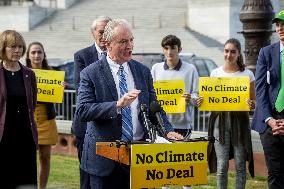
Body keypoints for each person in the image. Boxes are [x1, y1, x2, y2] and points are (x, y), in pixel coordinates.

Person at [75, 19, 183, 189]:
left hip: (138, 156)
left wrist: (168, 131)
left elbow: (154, 106)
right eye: (123, 41)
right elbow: (82, 111)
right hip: (105, 161)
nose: (129, 45)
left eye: (131, 40)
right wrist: (117, 105)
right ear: (108, 44)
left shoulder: (143, 71)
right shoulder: (90, 73)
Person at [207, 38, 255, 189]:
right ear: (223, 52)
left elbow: (254, 103)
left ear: (239, 54)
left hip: (240, 122)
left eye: (233, 52)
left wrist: (251, 104)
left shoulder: (247, 74)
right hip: (219, 123)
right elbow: (210, 99)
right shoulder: (215, 73)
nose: (229, 55)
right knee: (222, 166)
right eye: (226, 51)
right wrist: (202, 100)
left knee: (240, 166)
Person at [71, 15, 111, 189]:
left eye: (108, 32)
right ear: (93, 33)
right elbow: (82, 90)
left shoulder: (117, 56)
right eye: (101, 32)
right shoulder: (82, 56)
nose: (104, 36)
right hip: (86, 127)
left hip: (110, 128)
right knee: (87, 178)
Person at [0, 30, 38, 188]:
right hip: (3, 136)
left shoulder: (29, 74)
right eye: (13, 46)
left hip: (25, 136)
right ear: (3, 48)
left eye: (20, 47)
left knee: (26, 182)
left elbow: (32, 103)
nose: (18, 50)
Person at [252, 10, 284, 188]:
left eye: (283, 24)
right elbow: (260, 88)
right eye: (278, 25)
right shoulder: (266, 52)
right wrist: (270, 119)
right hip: (269, 121)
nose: (280, 28)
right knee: (275, 172)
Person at [26, 41, 59, 189]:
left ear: (44, 54)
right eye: (33, 52)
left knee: (45, 158)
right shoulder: (23, 72)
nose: (36, 55)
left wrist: (60, 88)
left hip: (47, 120)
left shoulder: (51, 73)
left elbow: (55, 97)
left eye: (39, 52)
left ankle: (42, 187)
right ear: (28, 55)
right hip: (28, 121)